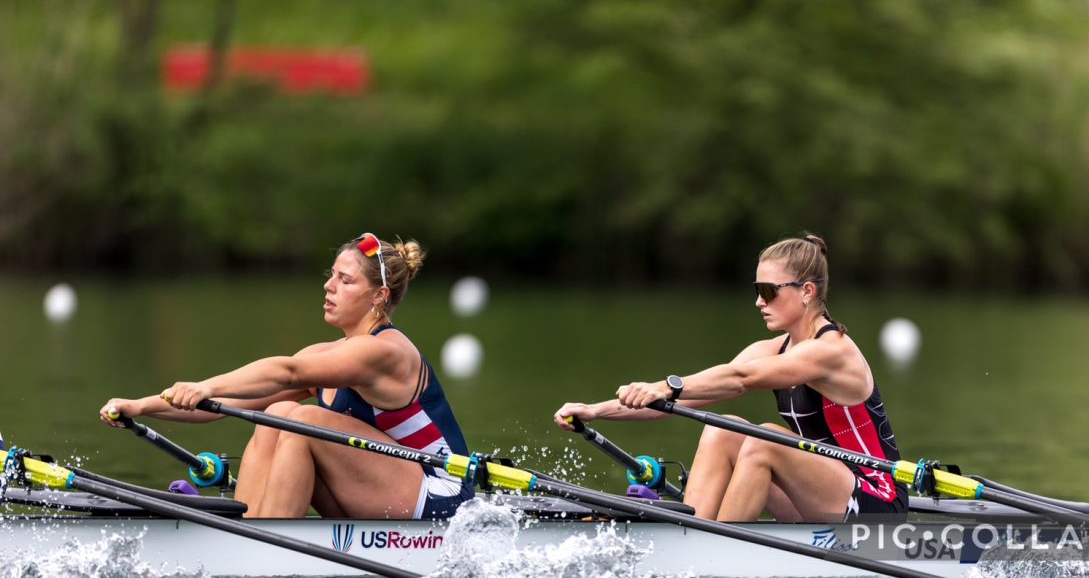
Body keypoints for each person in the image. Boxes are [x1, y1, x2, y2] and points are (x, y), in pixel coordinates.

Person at [100, 232, 473, 522]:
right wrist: (140, 406)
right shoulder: (325, 358)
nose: (328, 286)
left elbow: (286, 370)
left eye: (345, 280)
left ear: (379, 296)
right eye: (331, 276)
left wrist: (207, 384)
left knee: (304, 419)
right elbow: (221, 407)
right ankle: (248, 524)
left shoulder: (386, 352)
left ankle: (260, 543)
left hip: (442, 496)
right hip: (386, 494)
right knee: (278, 413)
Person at [554, 234, 906, 524]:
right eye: (757, 290)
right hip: (820, 495)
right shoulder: (773, 348)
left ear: (807, 292)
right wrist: (595, 410)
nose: (758, 302)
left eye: (767, 291)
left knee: (763, 441)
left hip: (876, 504)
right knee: (725, 429)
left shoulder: (831, 351)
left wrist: (667, 384)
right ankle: (688, 531)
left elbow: (740, 378)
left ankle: (710, 552)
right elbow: (672, 406)